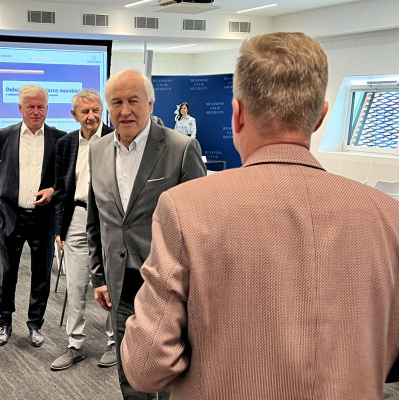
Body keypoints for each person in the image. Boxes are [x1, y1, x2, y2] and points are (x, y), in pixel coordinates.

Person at [121, 32, 399, 399]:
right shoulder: (389, 216)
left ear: (237, 114)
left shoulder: (185, 208)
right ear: (321, 117)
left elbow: (147, 367)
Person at [87, 69, 206, 399]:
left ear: (150, 104)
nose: (125, 110)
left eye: (133, 101)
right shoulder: (97, 150)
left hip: (167, 283)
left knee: (168, 370)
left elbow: (201, 224)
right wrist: (99, 277)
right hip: (119, 282)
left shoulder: (181, 148)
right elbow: (96, 220)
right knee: (129, 366)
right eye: (117, 103)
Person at [0, 84, 65, 348]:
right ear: (20, 108)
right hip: (11, 216)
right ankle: (4, 321)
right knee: (8, 272)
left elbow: (67, 176)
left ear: (47, 109)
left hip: (43, 218)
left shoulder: (59, 138)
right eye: (30, 107)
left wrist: (53, 189)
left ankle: (35, 324)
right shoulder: (5, 135)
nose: (36, 111)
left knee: (41, 274)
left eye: (41, 107)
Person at [50, 89, 116, 371]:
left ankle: (114, 342)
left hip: (109, 219)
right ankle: (74, 344)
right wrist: (59, 228)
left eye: (96, 110)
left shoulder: (116, 138)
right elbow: (60, 188)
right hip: (76, 216)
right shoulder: (65, 144)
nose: (91, 116)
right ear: (74, 115)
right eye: (85, 111)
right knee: (75, 284)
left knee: (111, 283)